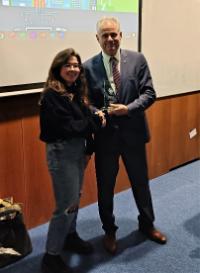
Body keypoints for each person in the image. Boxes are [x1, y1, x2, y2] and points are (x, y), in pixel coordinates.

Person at [83, 17, 167, 254]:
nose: (110, 39)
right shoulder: (88, 67)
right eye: (105, 35)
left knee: (141, 183)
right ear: (97, 38)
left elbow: (149, 93)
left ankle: (147, 225)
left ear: (121, 35)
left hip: (133, 134)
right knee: (105, 188)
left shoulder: (137, 60)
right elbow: (85, 102)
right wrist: (95, 112)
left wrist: (127, 109)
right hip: (105, 138)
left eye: (114, 34)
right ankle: (109, 231)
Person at [39, 48, 105, 273]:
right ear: (58, 69)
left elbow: (85, 119)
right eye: (68, 65)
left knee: (75, 197)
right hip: (62, 152)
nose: (73, 69)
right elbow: (69, 127)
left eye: (76, 65)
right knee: (65, 204)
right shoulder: (52, 95)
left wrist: (90, 143)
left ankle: (69, 236)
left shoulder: (75, 91)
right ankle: (51, 255)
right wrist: (96, 123)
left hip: (77, 151)